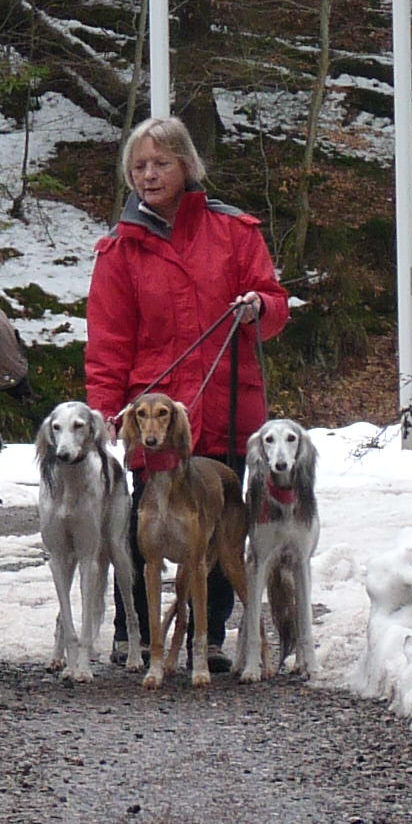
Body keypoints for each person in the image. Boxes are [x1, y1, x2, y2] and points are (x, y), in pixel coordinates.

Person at [85, 115, 290, 670]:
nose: (149, 175)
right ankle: (136, 632)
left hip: (227, 402)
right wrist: (106, 409)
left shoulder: (235, 231)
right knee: (144, 519)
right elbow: (108, 341)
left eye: (161, 163)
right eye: (139, 166)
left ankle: (209, 634)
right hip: (153, 414)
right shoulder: (119, 250)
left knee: (219, 522)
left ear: (187, 165)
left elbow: (275, 304)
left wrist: (259, 308)